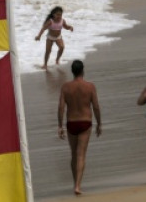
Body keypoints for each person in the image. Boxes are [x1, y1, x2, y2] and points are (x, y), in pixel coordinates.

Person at [57, 60, 101, 197]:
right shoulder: (90, 86)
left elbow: (61, 108)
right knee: (81, 154)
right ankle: (77, 185)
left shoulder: (65, 87)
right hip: (85, 122)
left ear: (72, 71)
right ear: (83, 71)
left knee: (74, 154)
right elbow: (96, 106)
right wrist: (99, 123)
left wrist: (60, 126)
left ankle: (75, 182)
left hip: (71, 123)